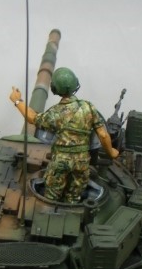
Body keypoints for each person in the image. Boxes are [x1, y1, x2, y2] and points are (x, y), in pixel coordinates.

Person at [9, 67, 119, 203]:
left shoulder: (54, 113)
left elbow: (32, 118)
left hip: (60, 162)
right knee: (74, 197)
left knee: (51, 198)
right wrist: (111, 152)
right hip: (81, 162)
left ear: (54, 89)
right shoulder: (88, 107)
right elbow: (103, 135)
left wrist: (17, 101)